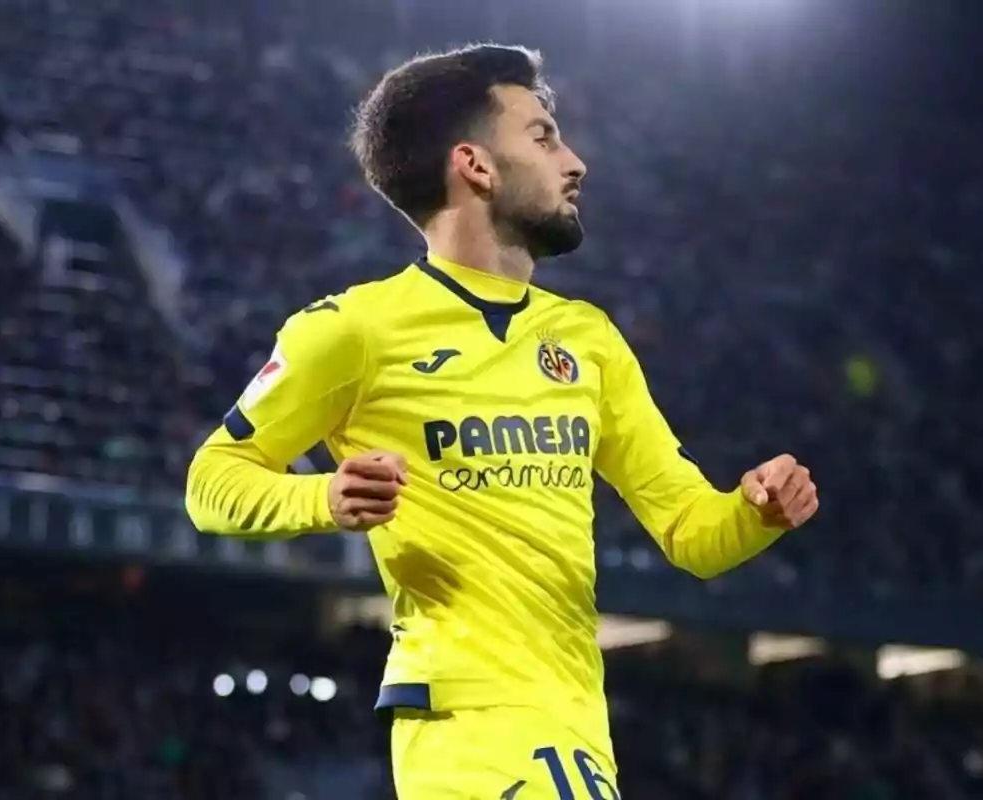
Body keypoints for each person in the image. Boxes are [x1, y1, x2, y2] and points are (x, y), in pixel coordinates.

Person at [185, 43, 819, 799]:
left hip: (578, 718)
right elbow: (210, 479)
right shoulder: (352, 330)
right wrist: (321, 499)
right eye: (544, 136)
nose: (575, 161)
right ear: (475, 165)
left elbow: (689, 532)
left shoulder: (588, 339)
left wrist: (755, 512)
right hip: (464, 717)